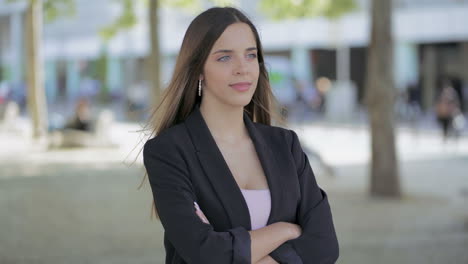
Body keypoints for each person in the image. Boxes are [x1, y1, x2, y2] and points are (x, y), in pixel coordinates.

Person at [143, 7, 338, 264]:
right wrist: (285, 230)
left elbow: (325, 245)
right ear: (198, 69)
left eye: (250, 55)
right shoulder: (168, 151)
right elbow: (205, 253)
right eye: (224, 58)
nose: (242, 68)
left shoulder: (285, 145)